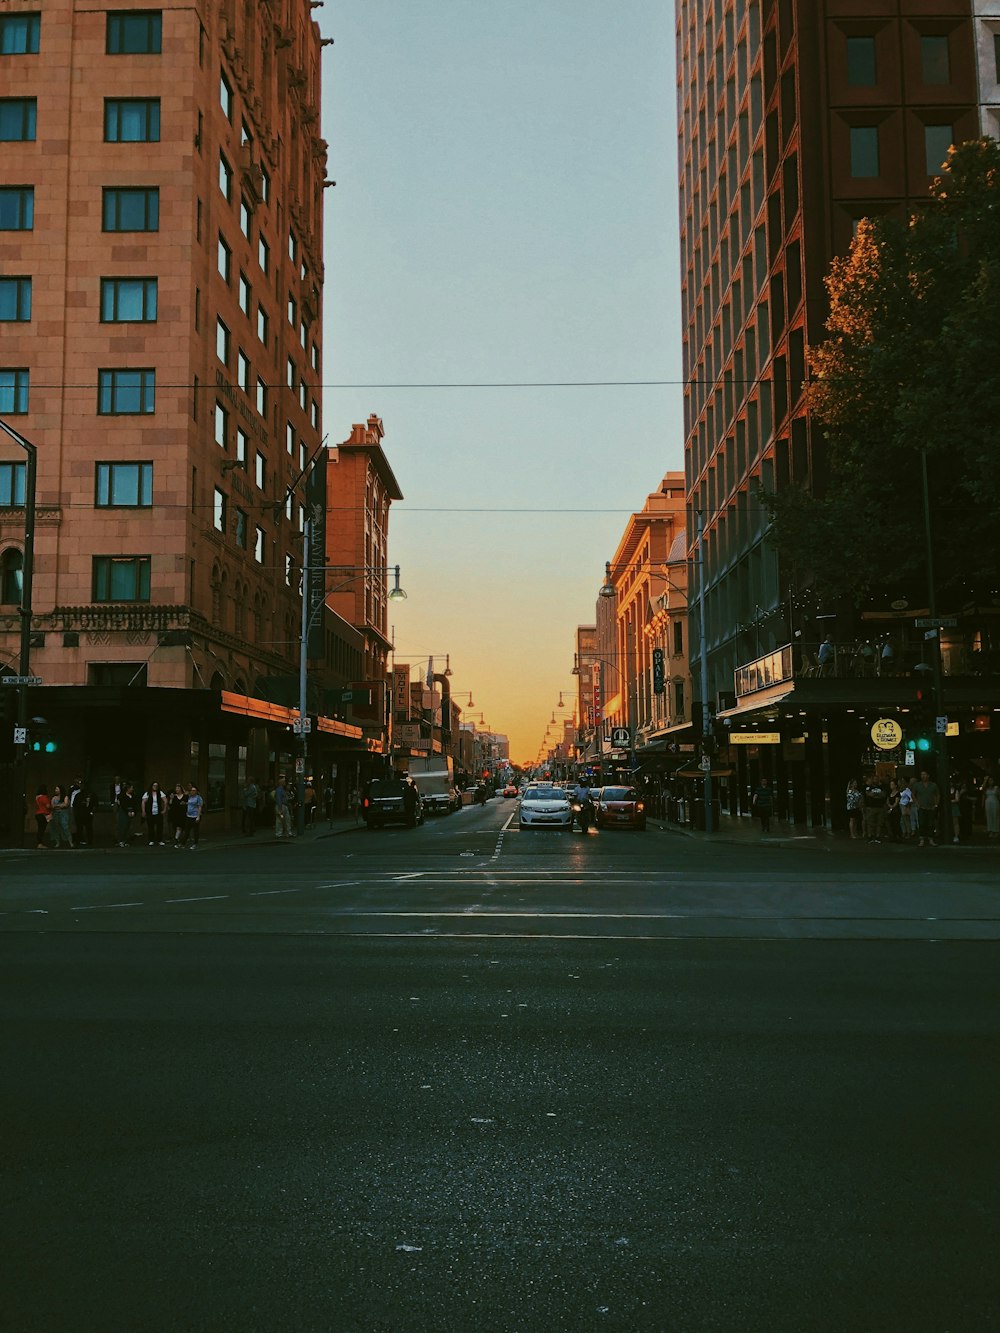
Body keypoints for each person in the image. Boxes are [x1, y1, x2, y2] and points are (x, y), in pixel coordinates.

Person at [911, 769, 940, 847]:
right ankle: (922, 840)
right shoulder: (917, 785)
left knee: (931, 824)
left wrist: (936, 804)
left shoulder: (933, 785)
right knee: (922, 823)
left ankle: (931, 839)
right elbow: (913, 795)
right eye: (921, 775)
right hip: (922, 807)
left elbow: (937, 795)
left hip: (931, 807)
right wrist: (917, 804)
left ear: (928, 775)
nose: (923, 776)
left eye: (924, 774)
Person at [862, 773, 888, 844]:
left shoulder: (882, 787)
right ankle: (870, 837)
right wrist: (878, 795)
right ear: (872, 779)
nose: (876, 780)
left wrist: (875, 795)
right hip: (871, 807)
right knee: (870, 823)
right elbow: (869, 794)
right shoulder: (869, 787)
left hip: (880, 807)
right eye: (874, 779)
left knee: (879, 823)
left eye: (877, 779)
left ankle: (877, 837)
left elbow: (883, 795)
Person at [142, 781, 167, 845]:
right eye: (154, 785)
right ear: (151, 786)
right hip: (150, 813)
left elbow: (165, 801)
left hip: (158, 812)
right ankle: (151, 840)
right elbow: (143, 802)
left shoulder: (160, 793)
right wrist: (143, 811)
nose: (155, 787)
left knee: (159, 827)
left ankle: (159, 840)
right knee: (150, 827)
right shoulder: (147, 793)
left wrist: (164, 810)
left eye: (156, 786)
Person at [74, 781, 95, 848]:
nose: (81, 787)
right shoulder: (78, 795)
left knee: (88, 828)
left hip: (87, 814)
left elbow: (95, 804)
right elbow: (75, 805)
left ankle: (89, 841)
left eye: (82, 785)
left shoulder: (91, 795)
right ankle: (79, 841)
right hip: (80, 814)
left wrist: (92, 812)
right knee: (80, 828)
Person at [182, 784, 204, 848]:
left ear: (196, 791)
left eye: (194, 790)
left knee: (195, 831)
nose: (192, 791)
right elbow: (189, 803)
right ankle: (183, 843)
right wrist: (185, 803)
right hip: (189, 816)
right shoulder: (190, 797)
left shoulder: (198, 798)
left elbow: (200, 807)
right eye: (192, 790)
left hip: (195, 816)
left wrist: (198, 816)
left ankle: (195, 843)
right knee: (187, 830)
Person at [115, 782, 137, 847]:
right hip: (123, 812)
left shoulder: (133, 796)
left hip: (131, 812)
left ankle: (126, 841)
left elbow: (135, 804)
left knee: (129, 827)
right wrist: (127, 811)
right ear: (128, 788)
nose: (132, 789)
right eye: (131, 788)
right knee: (123, 826)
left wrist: (133, 812)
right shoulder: (122, 796)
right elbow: (123, 805)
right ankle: (121, 841)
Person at [34, 784, 51, 849]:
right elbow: (48, 806)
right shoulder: (44, 797)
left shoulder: (37, 797)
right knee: (42, 829)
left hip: (38, 814)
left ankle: (39, 843)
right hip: (43, 814)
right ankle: (40, 844)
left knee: (40, 829)